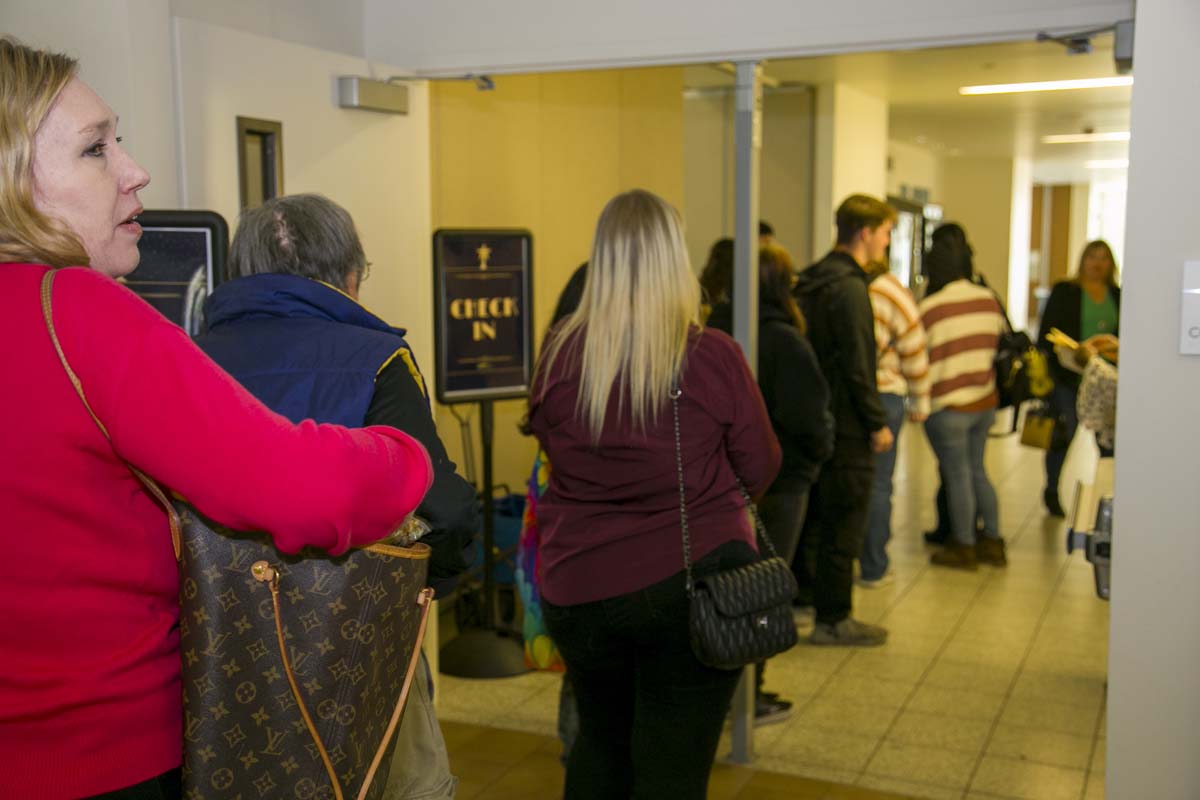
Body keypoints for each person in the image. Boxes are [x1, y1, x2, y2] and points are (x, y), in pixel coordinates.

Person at [0, 39, 433, 800]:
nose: (136, 171)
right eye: (97, 149)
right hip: (101, 758)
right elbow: (302, 489)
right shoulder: (74, 312)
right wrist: (404, 456)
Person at [193, 193, 477, 800]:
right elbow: (442, 508)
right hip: (354, 636)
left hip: (213, 643)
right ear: (349, 277)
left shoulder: (183, 357)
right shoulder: (376, 360)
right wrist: (433, 585)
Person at [528, 189, 780, 798]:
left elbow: (547, 443)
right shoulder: (712, 355)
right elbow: (762, 465)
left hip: (579, 585)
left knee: (601, 744)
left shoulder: (560, 351)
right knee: (673, 765)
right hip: (689, 589)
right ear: (676, 259)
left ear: (603, 259)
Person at [706, 244, 833, 724]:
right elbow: (810, 421)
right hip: (780, 486)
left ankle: (729, 692)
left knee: (725, 591)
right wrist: (813, 462)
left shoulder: (710, 331)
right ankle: (748, 695)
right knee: (762, 593)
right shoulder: (785, 339)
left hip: (720, 485)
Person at [791, 194, 894, 647]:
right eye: (886, 234)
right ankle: (835, 617)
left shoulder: (808, 281)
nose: (887, 244)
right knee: (846, 519)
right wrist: (877, 421)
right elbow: (858, 363)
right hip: (849, 425)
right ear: (866, 233)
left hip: (814, 418)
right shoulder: (850, 289)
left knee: (814, 516)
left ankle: (807, 599)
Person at [919, 222, 1008, 570]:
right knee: (977, 471)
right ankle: (994, 542)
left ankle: (964, 545)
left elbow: (917, 353)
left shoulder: (930, 308)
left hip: (949, 406)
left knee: (956, 475)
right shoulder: (988, 299)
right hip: (985, 401)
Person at [1036, 240, 1121, 516]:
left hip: (1106, 380)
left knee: (1108, 438)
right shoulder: (1066, 291)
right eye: (1092, 257)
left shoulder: (1118, 295)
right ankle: (1051, 489)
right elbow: (1047, 333)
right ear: (1082, 260)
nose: (1097, 264)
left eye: (1103, 258)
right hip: (1068, 377)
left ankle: (1109, 494)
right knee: (1065, 431)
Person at [860, 259, 930, 587]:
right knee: (878, 484)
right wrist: (920, 400)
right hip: (885, 395)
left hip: (850, 396)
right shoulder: (892, 292)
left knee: (850, 481)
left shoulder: (845, 289)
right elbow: (914, 348)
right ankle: (874, 565)